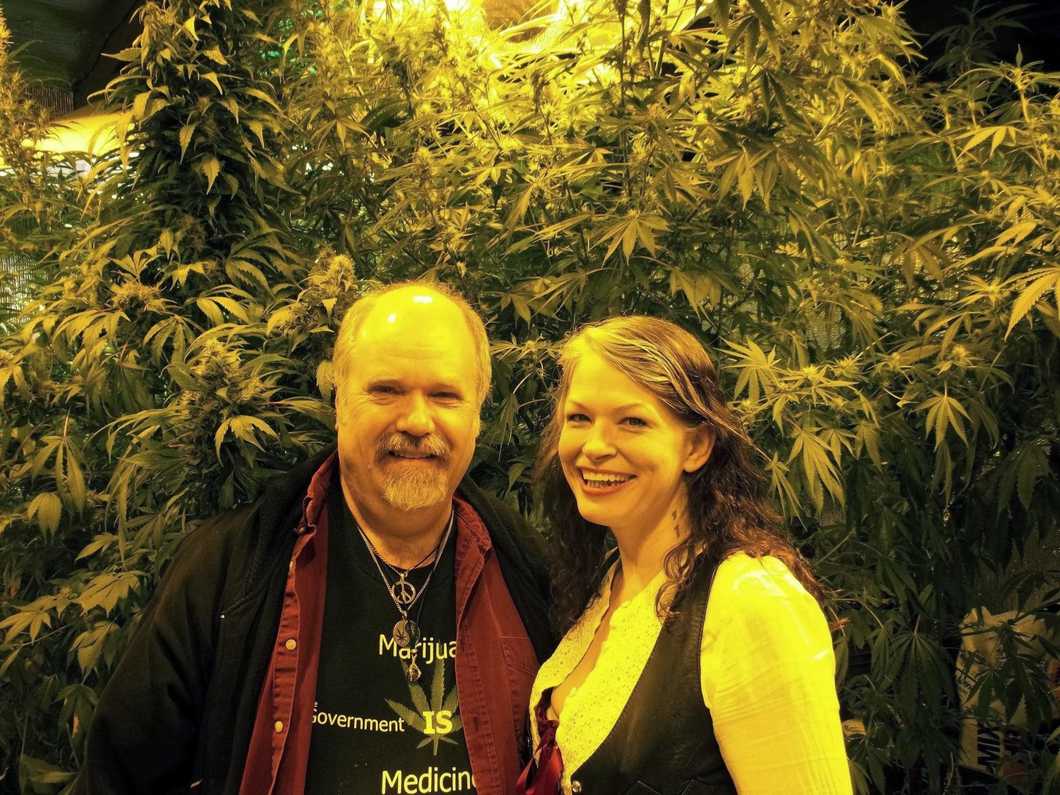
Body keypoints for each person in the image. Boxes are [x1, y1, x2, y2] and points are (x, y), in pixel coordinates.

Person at [74, 282, 553, 795]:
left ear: (477, 414)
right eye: (386, 390)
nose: (417, 420)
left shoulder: (526, 571)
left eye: (444, 395)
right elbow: (118, 776)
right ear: (339, 401)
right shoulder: (231, 570)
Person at [518, 316, 851, 794]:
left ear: (695, 446)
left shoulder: (749, 600)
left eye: (632, 421)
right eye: (579, 418)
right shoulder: (606, 582)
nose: (594, 447)